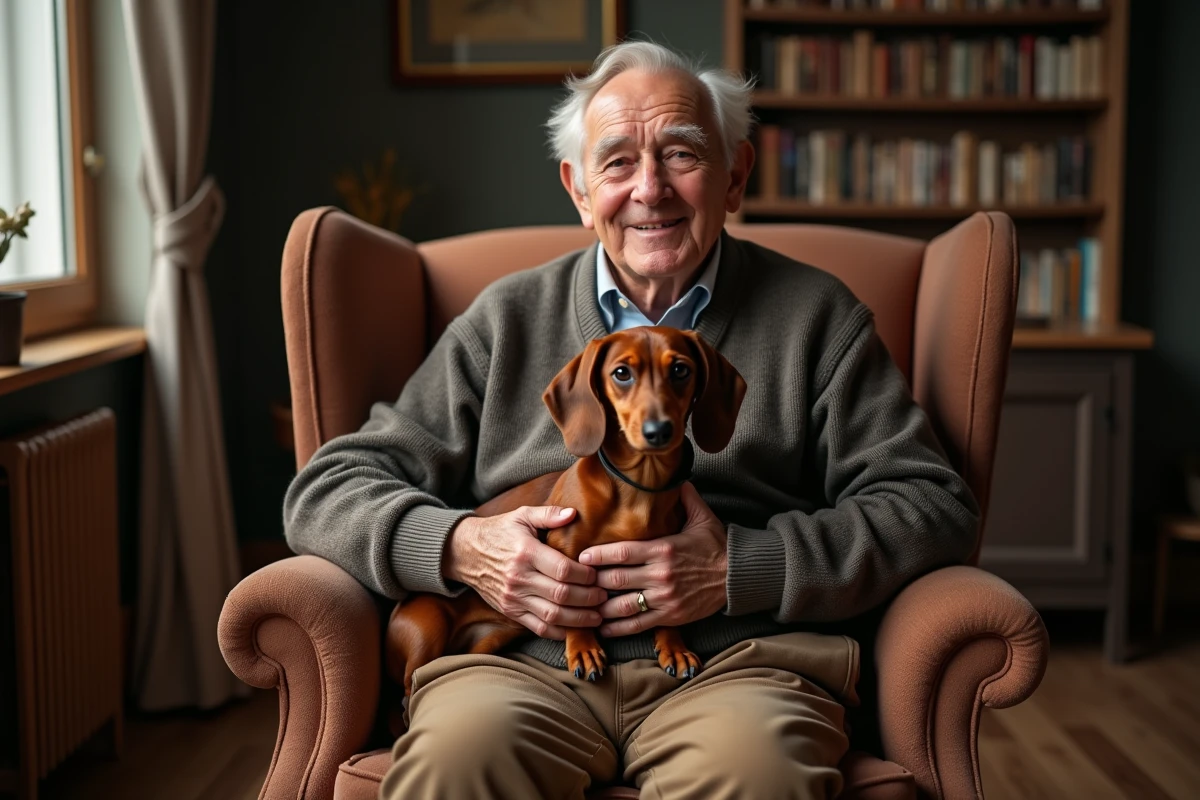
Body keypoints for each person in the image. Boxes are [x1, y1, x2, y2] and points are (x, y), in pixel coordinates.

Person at [283, 39, 979, 800]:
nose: (650, 189)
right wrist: (463, 545)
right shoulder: (504, 322)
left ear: (735, 175)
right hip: (520, 665)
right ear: (579, 189)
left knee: (757, 774)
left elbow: (933, 507)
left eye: (681, 154)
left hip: (737, 665)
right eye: (616, 162)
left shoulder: (819, 319)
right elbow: (327, 490)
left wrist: (741, 568)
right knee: (456, 762)